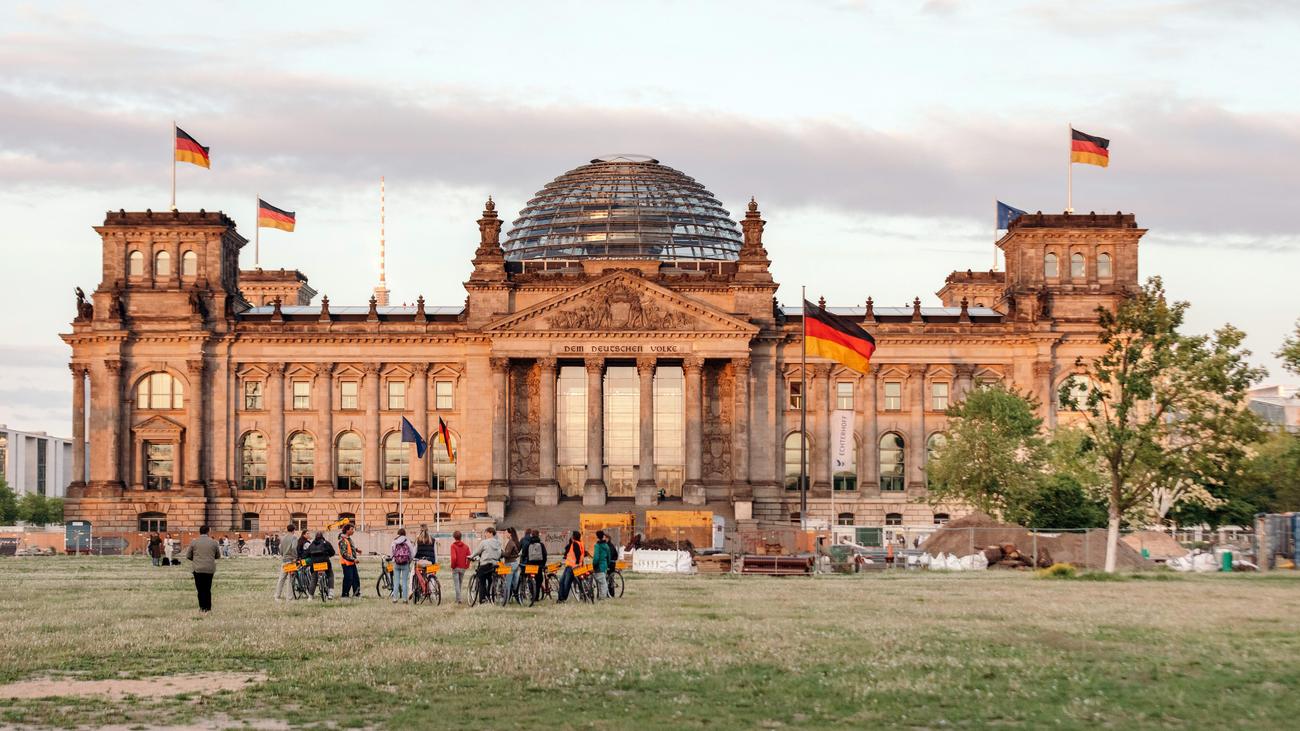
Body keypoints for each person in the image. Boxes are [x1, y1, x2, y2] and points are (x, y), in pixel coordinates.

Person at [185, 526, 221, 612]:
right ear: (208, 532)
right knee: (207, 589)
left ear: (200, 532)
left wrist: (196, 560)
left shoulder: (194, 542)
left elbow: (188, 556)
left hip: (198, 569)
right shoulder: (214, 542)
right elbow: (218, 556)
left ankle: (202, 608)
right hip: (209, 569)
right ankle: (208, 608)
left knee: (200, 590)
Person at [470, 527, 503, 603]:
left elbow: (477, 551)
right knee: (491, 580)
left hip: (485, 564)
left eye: (486, 533)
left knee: (482, 581)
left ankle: (482, 599)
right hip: (495, 564)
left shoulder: (484, 542)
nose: (485, 534)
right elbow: (500, 553)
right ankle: (491, 597)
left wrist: (471, 556)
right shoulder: (498, 543)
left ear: (490, 533)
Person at [305, 531, 337, 599]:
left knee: (314, 579)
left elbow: (307, 554)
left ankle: (310, 596)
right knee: (330, 575)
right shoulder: (326, 543)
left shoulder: (311, 544)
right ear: (322, 536)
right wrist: (328, 555)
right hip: (325, 562)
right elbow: (333, 552)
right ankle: (331, 592)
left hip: (314, 564)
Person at [274, 522, 300, 601]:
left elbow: (280, 549)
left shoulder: (283, 538)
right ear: (293, 530)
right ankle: (289, 597)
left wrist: (283, 555)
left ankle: (277, 596)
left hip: (284, 560)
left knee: (281, 579)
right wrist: (295, 557)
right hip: (291, 561)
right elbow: (294, 548)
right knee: (290, 580)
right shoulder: (294, 538)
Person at [557, 530, 584, 603]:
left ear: (574, 536)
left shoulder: (575, 544)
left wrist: (577, 563)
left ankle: (562, 598)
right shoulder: (578, 543)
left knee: (566, 582)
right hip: (570, 566)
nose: (571, 536)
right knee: (562, 581)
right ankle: (560, 598)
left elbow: (578, 554)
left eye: (572, 535)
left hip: (572, 566)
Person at [520, 529, 547, 603]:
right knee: (539, 580)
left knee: (530, 580)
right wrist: (543, 564)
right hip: (539, 565)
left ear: (531, 535)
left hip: (530, 565)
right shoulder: (541, 545)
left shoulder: (528, 544)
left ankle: (533, 595)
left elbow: (524, 554)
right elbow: (545, 555)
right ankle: (536, 596)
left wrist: (524, 561)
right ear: (538, 535)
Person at [390, 528, 416, 603]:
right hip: (405, 563)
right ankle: (405, 599)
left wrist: (394, 560)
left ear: (398, 534)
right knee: (404, 581)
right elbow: (412, 553)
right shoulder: (407, 541)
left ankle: (395, 598)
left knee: (396, 581)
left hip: (396, 563)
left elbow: (391, 553)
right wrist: (409, 561)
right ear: (405, 534)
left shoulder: (394, 541)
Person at [411, 525, 438, 597]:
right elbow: (435, 553)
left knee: (413, 573)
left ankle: (411, 590)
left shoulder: (418, 540)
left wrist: (412, 558)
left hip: (420, 562)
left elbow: (414, 552)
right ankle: (432, 592)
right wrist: (435, 562)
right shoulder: (433, 540)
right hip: (430, 562)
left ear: (420, 531)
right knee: (431, 575)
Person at [338, 524, 360, 599]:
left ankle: (356, 594)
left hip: (351, 562)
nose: (353, 531)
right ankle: (345, 595)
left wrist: (356, 550)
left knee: (355, 579)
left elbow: (349, 547)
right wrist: (353, 559)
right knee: (348, 579)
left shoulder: (348, 539)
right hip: (346, 563)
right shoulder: (343, 540)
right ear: (347, 530)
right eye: (351, 529)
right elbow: (344, 553)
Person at [591, 530, 613, 600]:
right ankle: (601, 596)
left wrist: (594, 564)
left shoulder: (597, 546)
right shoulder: (606, 545)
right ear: (603, 536)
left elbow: (596, 557)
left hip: (598, 566)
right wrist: (607, 564)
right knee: (602, 582)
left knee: (601, 582)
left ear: (597, 537)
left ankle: (602, 597)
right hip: (604, 566)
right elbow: (609, 556)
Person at [449, 531, 470, 604]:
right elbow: (469, 557)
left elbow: (454, 558)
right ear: (461, 537)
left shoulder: (453, 546)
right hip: (463, 567)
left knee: (456, 584)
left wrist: (452, 566)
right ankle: (458, 598)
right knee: (460, 583)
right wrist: (467, 565)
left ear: (454, 537)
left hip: (456, 567)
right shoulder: (466, 546)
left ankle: (459, 599)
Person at [501, 527, 521, 602]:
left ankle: (505, 600)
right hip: (515, 563)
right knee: (515, 583)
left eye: (506, 532)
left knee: (508, 583)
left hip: (510, 564)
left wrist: (501, 552)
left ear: (510, 534)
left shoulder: (510, 542)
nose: (505, 534)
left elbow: (507, 554)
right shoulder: (516, 541)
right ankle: (518, 599)